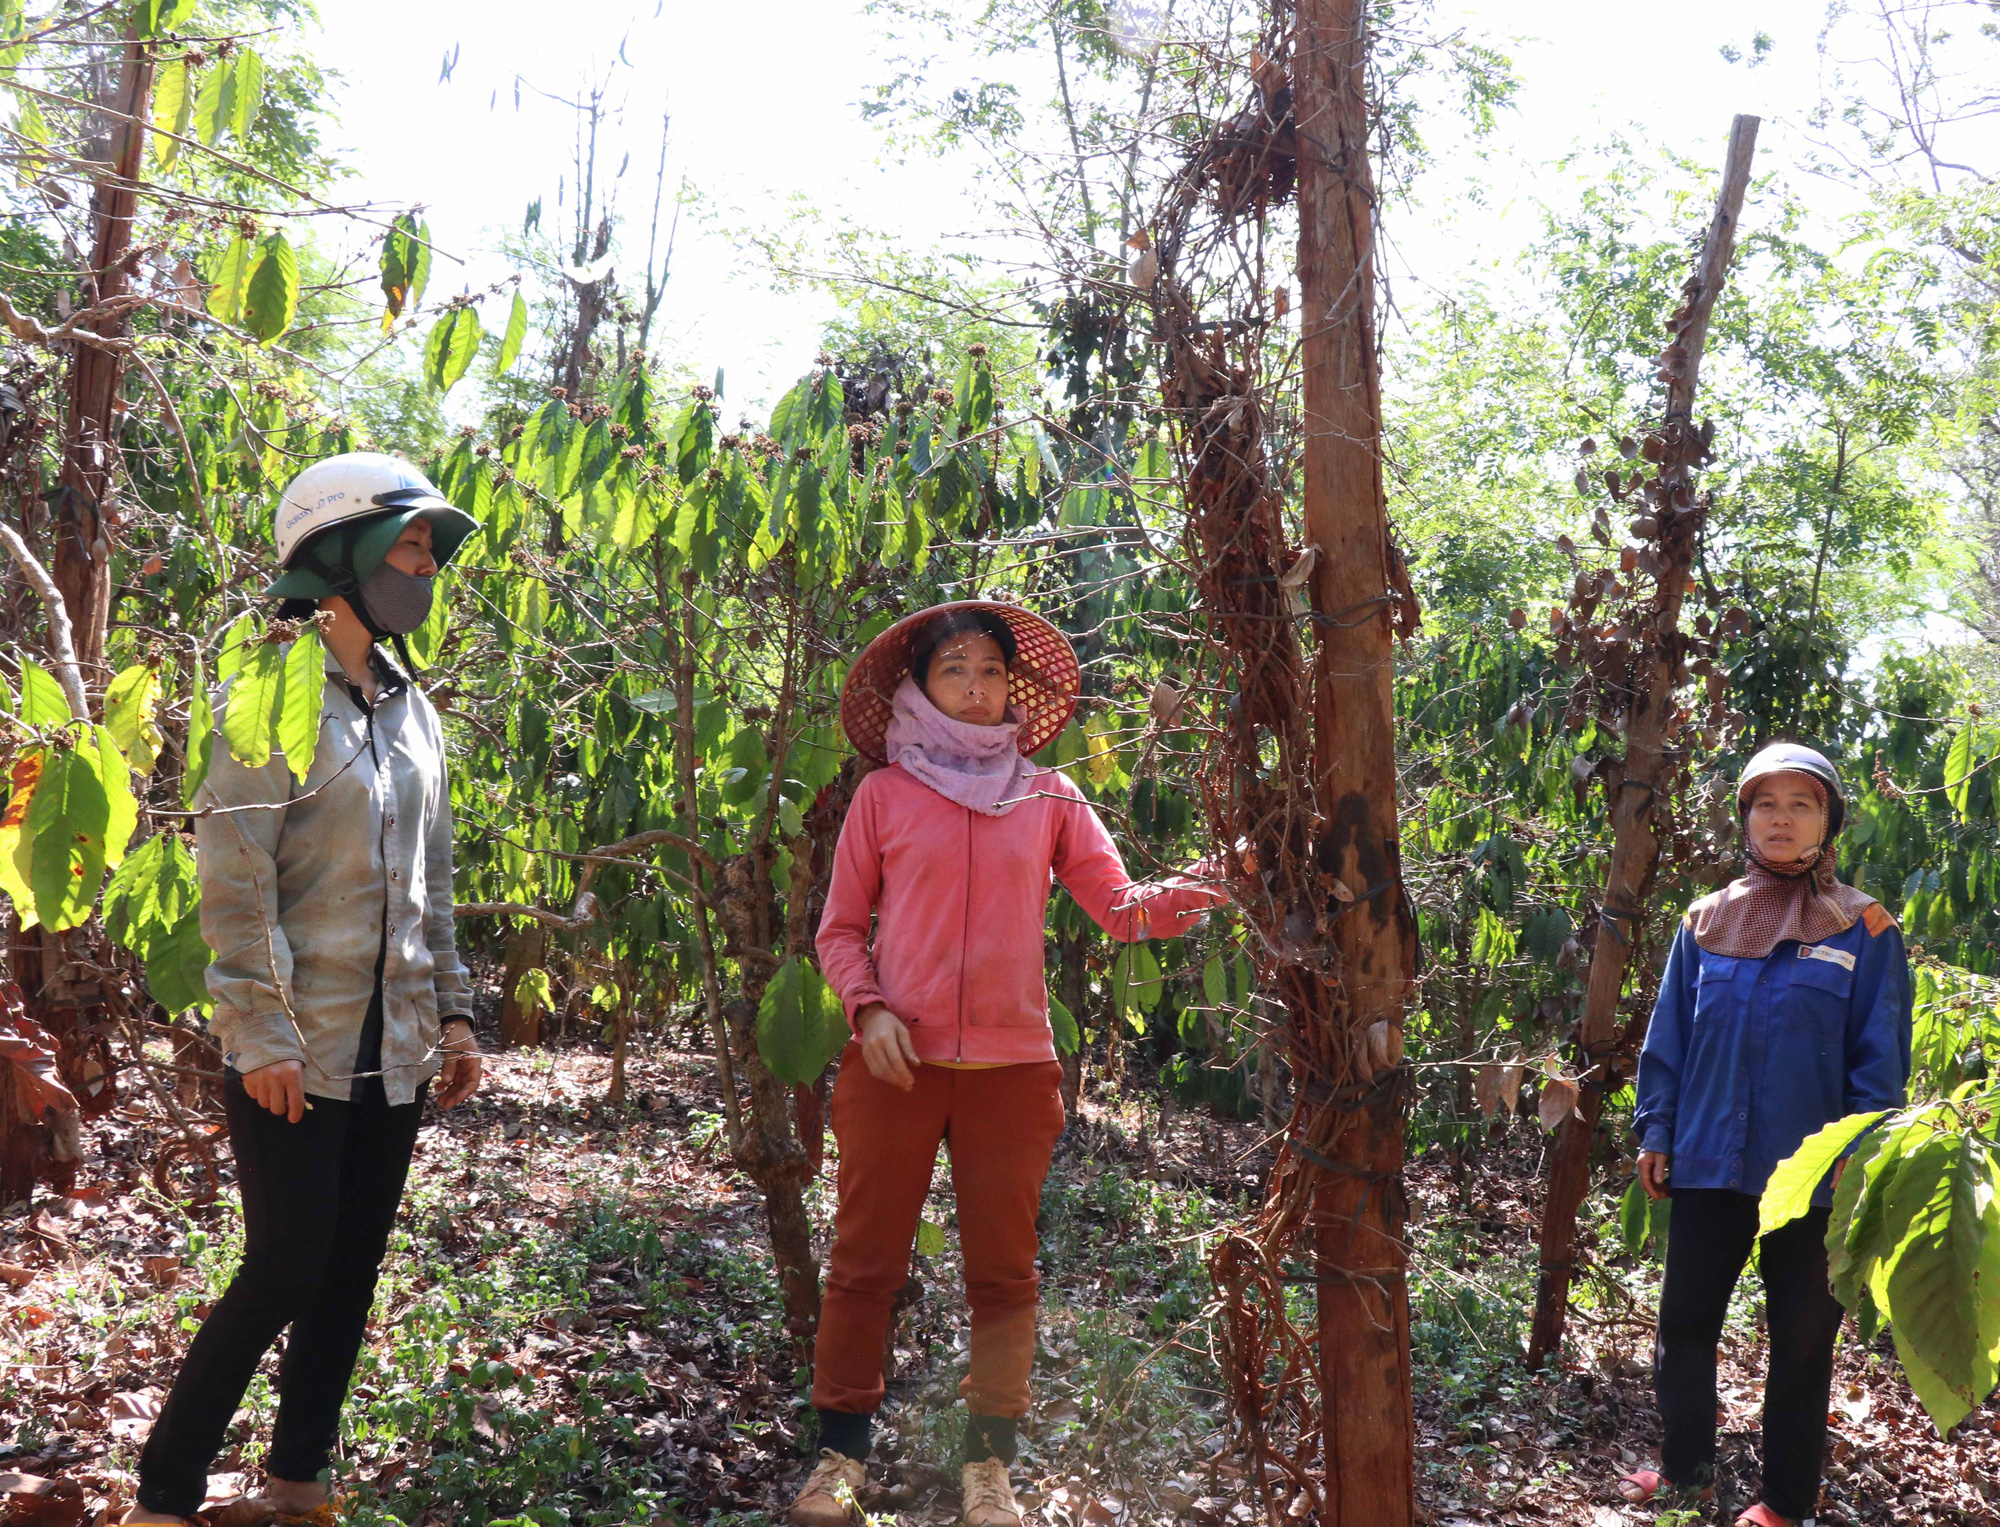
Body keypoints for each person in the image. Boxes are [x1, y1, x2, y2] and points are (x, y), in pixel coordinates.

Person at [792, 602, 1227, 1527]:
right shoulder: (883, 795)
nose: (977, 685)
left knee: (1003, 1273)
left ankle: (991, 1468)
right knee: (865, 1260)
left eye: (991, 669)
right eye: (956, 669)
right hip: (894, 1064)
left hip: (1013, 1068)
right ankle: (840, 1461)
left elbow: (1121, 907)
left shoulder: (1049, 796)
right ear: (921, 686)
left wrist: (1225, 874)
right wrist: (866, 1012)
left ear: (1011, 688)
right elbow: (838, 930)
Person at [128, 453, 485, 1526]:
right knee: (285, 1265)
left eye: (429, 549)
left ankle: (297, 1484)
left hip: (398, 1041)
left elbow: (434, 882)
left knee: (353, 1264)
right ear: (340, 554)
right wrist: (264, 1034)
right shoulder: (266, 700)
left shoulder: (410, 706)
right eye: (412, 545)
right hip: (295, 1041)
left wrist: (457, 1012)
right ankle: (163, 1494)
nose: (426, 566)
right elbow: (234, 887)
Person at [1620, 743, 1912, 1527]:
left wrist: (1862, 1158)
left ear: (1828, 820)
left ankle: (1783, 1501)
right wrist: (1657, 1128)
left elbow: (1879, 1060)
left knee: (1802, 1340)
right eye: (1765, 803)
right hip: (1709, 1157)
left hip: (1817, 1175)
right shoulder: (1705, 921)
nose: (1780, 818)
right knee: (1684, 1324)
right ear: (1745, 815)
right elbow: (1669, 1037)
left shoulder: (1867, 929)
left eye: (1801, 803)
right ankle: (1684, 1477)